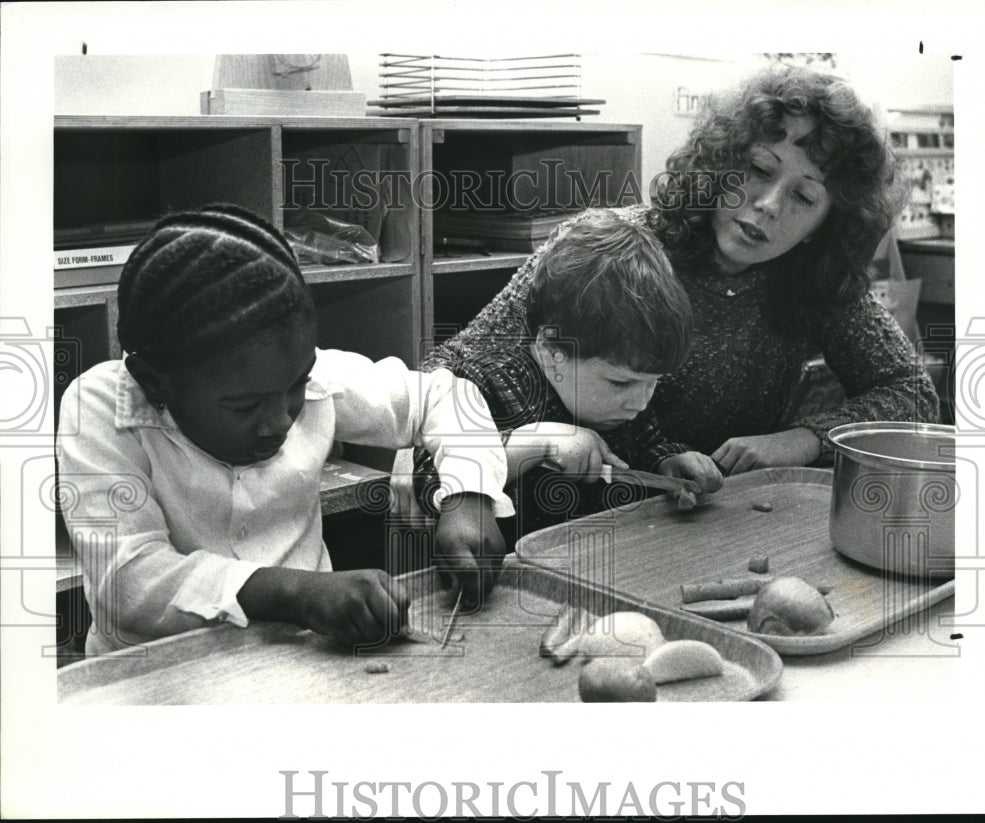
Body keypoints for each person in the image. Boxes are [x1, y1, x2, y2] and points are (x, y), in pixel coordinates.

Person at [409, 63, 939, 487]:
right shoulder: (613, 248)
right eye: (757, 170)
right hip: (581, 509)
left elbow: (912, 394)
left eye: (804, 196)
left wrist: (803, 439)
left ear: (826, 224)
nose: (769, 206)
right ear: (721, 163)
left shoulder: (814, 277)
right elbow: (446, 380)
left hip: (715, 512)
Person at [56, 205, 512, 656]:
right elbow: (131, 585)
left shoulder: (294, 372)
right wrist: (298, 593)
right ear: (155, 383)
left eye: (297, 385)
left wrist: (469, 496)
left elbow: (444, 396)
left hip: (305, 658)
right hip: (156, 676)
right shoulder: (98, 407)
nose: (280, 421)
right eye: (244, 407)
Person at [408, 209, 718, 541]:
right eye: (621, 382)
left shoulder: (625, 401)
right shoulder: (480, 385)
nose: (640, 403)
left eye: (654, 382)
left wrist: (668, 464)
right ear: (550, 351)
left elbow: (647, 445)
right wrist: (537, 444)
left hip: (600, 559)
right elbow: (430, 485)